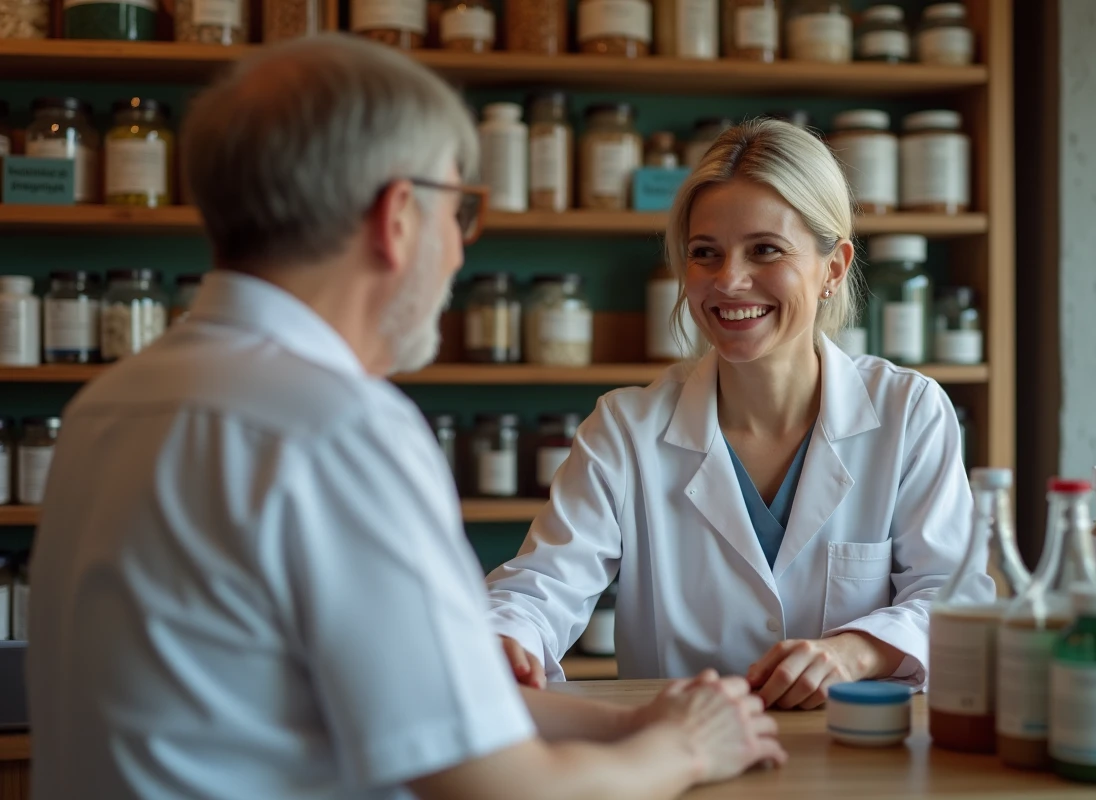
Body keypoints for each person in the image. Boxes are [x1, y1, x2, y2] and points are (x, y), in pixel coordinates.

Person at [27, 36, 785, 799]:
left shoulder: (108, 404)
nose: (457, 252)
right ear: (397, 217)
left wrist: (630, 724)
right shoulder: (337, 427)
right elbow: (503, 789)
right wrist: (685, 750)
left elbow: (392, 703)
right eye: (457, 212)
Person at [487, 119, 995, 708]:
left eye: (765, 250)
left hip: (859, 749)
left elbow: (952, 596)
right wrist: (507, 635)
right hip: (682, 757)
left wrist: (856, 650)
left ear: (832, 268)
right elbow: (541, 584)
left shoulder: (909, 412)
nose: (729, 281)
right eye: (705, 254)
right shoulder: (626, 430)